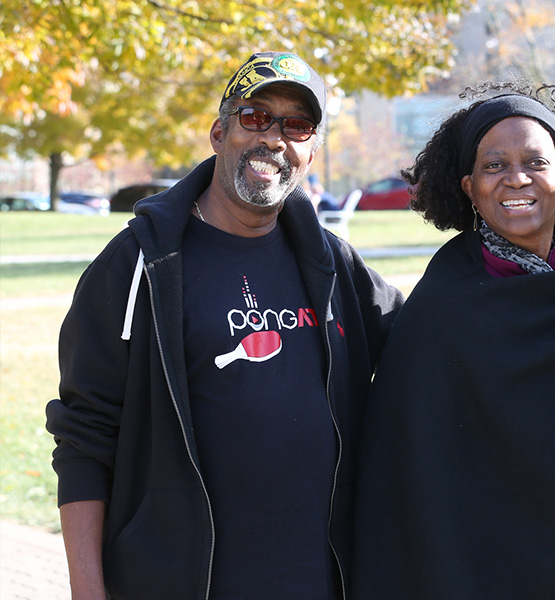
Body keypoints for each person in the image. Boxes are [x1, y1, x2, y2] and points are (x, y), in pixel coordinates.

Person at [45, 51, 403, 600]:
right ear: (219, 131)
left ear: (312, 151)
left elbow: (429, 341)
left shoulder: (334, 264)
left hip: (317, 581)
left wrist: (548, 258)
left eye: (297, 125)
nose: (274, 138)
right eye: (255, 116)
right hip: (174, 583)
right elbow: (84, 441)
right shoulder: (137, 265)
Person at [350, 83, 555, 599]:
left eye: (534, 163)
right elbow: (411, 462)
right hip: (481, 560)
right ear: (470, 186)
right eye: (493, 166)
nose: (516, 178)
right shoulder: (443, 305)